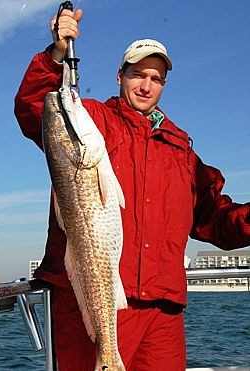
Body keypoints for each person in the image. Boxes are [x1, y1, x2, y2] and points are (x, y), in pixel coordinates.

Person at [14, 7, 250, 371]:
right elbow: (39, 109)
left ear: (164, 85)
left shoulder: (181, 150)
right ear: (120, 76)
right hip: (91, 302)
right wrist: (56, 54)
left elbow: (216, 220)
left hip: (162, 310)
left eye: (155, 78)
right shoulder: (93, 121)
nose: (145, 85)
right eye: (137, 74)